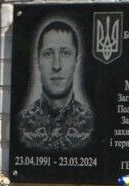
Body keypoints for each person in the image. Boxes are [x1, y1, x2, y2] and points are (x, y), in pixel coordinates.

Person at [17, 20, 95, 151]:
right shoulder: (21, 123)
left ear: (76, 62)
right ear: (38, 62)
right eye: (48, 54)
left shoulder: (92, 125)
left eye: (65, 53)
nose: (56, 66)